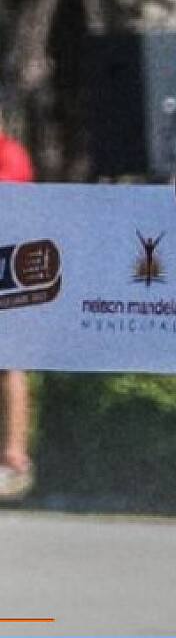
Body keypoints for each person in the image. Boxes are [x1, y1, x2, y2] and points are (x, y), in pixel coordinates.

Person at [0, 106, 36, 501]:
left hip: (8, 274)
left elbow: (12, 199)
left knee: (9, 363)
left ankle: (14, 458)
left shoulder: (10, 155)